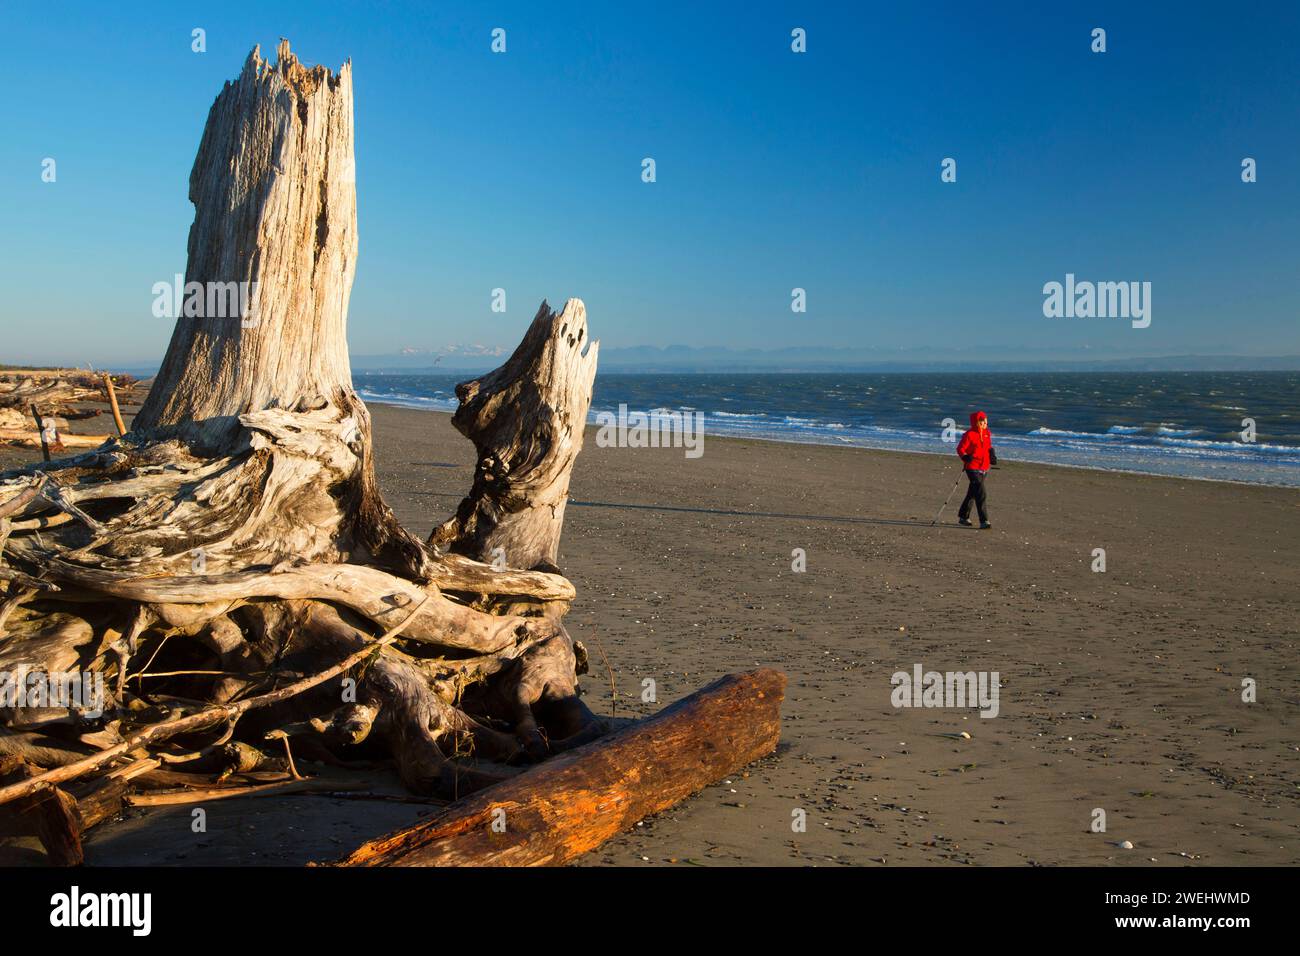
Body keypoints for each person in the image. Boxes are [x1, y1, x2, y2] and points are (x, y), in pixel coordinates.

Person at [956, 410, 997, 529]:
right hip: (972, 467)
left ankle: (963, 516)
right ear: (976, 422)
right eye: (982, 421)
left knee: (973, 493)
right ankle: (984, 520)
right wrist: (965, 457)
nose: (985, 423)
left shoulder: (987, 433)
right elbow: (960, 449)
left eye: (985, 421)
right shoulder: (969, 434)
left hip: (984, 467)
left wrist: (992, 455)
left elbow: (989, 447)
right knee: (981, 493)